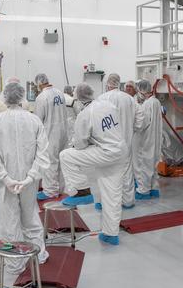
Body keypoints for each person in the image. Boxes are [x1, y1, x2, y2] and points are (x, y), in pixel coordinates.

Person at [0, 82, 50, 282]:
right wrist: (30, 178)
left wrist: (6, 179)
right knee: (30, 218)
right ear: (22, 98)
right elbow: (43, 154)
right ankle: (38, 255)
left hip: (5, 183)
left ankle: (14, 263)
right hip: (29, 181)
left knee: (9, 221)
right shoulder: (34, 120)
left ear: (4, 98)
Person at [60, 83, 127, 245]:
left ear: (78, 99)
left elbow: (80, 144)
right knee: (112, 194)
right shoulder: (108, 105)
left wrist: (86, 142)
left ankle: (81, 192)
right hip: (120, 151)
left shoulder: (85, 114)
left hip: (105, 153)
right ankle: (111, 234)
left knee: (66, 156)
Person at [99, 73, 138, 211]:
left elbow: (97, 121)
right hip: (125, 142)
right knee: (126, 171)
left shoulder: (102, 98)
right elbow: (139, 120)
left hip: (107, 143)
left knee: (107, 173)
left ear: (108, 84)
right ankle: (128, 201)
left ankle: (107, 202)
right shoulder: (129, 99)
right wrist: (131, 130)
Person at [32, 73, 70, 201]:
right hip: (63, 132)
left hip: (50, 134)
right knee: (61, 162)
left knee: (50, 162)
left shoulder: (42, 97)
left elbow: (38, 120)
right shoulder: (59, 93)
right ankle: (60, 188)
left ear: (39, 83)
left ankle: (50, 191)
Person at [133, 79, 163, 200]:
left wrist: (133, 125)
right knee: (153, 164)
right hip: (155, 139)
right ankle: (154, 188)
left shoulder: (146, 104)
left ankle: (143, 191)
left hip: (145, 140)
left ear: (142, 91)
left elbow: (142, 124)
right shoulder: (156, 102)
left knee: (143, 165)